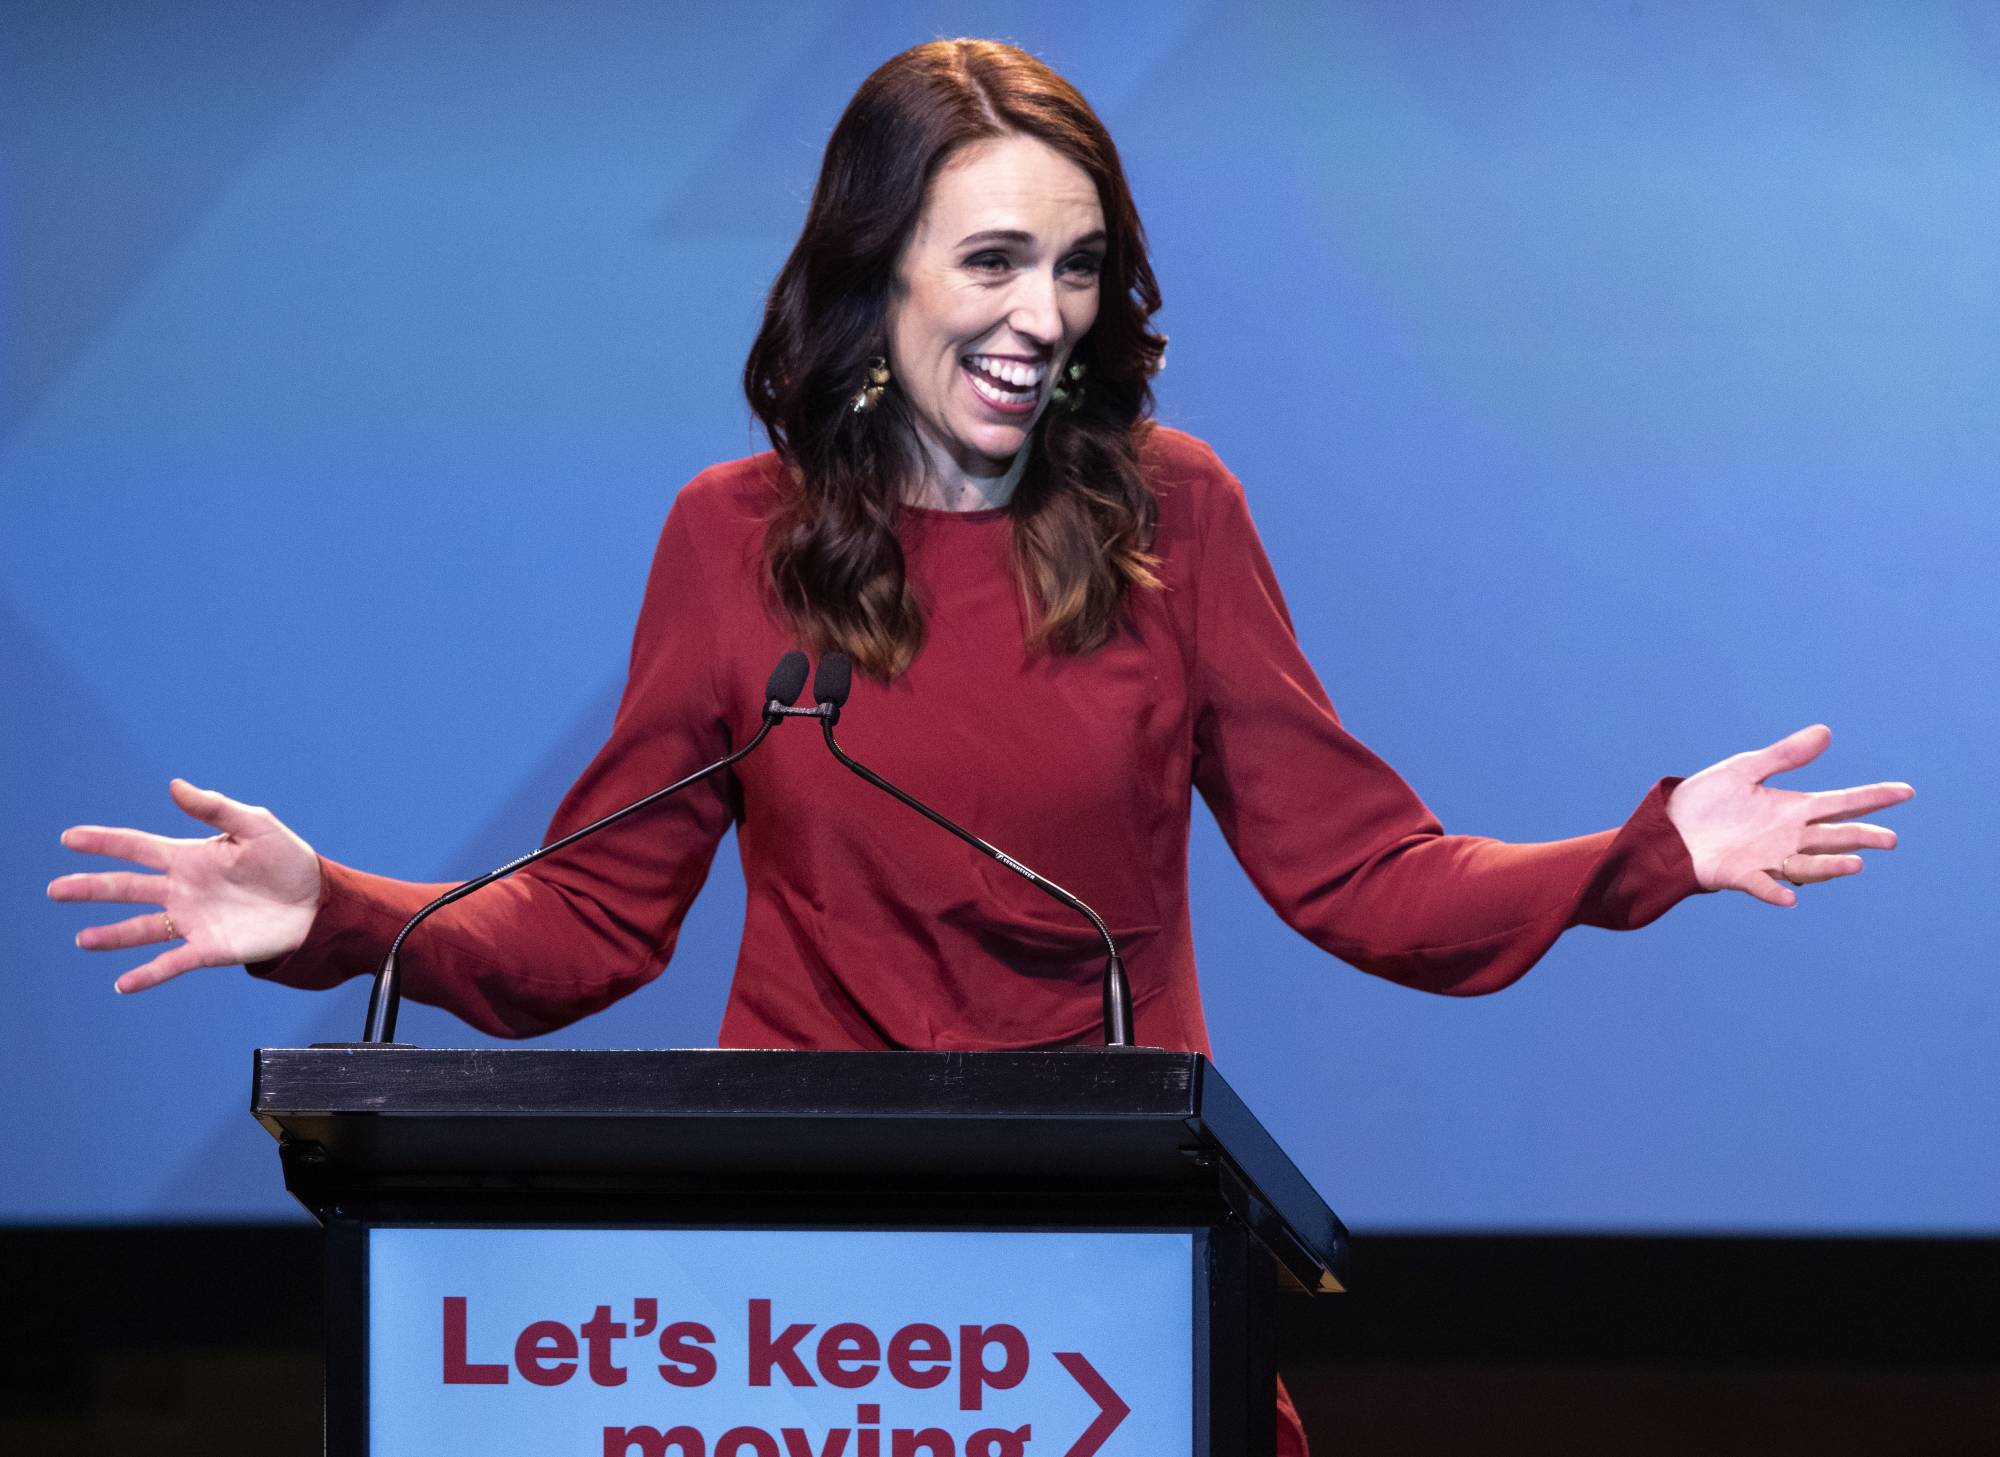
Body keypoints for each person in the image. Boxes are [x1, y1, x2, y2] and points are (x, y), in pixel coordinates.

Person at [47, 38, 1911, 1454]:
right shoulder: (732, 541)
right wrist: (331, 912)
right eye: (998, 260)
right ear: (880, 278)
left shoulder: (1179, 515)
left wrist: (1644, 848)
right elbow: (594, 921)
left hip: (1109, 1284)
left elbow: (1361, 872)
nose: (1046, 319)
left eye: (1083, 267)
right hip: (798, 1313)